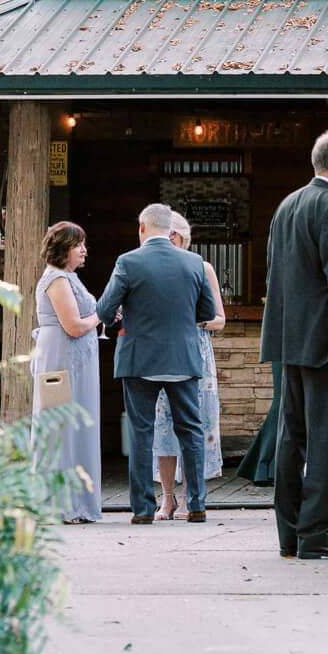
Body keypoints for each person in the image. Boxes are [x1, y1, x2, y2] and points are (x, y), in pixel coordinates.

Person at [262, 129, 328, 561]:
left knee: (294, 438)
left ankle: (291, 534)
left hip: (290, 340)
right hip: (327, 343)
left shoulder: (288, 205)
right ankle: (319, 533)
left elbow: (277, 274)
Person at [96, 202, 216, 526]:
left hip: (140, 359)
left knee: (141, 433)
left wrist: (123, 313)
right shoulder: (194, 263)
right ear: (171, 231)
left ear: (142, 227)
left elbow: (106, 309)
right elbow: (206, 312)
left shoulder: (128, 262)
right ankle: (197, 505)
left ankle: (143, 509)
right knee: (191, 431)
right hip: (183, 357)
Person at [153, 213, 226, 521]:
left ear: (178, 237)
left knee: (192, 424)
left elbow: (219, 319)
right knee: (163, 425)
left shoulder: (201, 267)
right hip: (161, 352)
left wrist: (198, 321)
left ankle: (189, 498)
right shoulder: (152, 267)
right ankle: (167, 498)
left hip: (195, 351)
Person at [32, 221, 102, 524]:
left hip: (75, 358)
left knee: (76, 427)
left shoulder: (69, 278)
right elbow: (73, 325)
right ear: (63, 250)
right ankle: (59, 505)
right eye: (78, 245)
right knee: (61, 429)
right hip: (61, 359)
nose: (84, 250)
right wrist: (102, 315)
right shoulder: (57, 279)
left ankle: (77, 502)